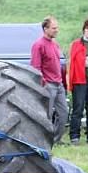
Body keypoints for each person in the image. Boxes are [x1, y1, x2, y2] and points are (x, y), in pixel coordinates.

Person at [31, 16, 68, 144]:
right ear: (45, 29)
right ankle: (43, 141)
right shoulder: (38, 45)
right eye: (54, 28)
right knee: (45, 116)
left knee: (63, 114)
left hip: (59, 85)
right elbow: (36, 68)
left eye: (57, 27)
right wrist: (44, 85)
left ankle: (56, 140)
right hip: (48, 85)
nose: (56, 30)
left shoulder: (55, 44)